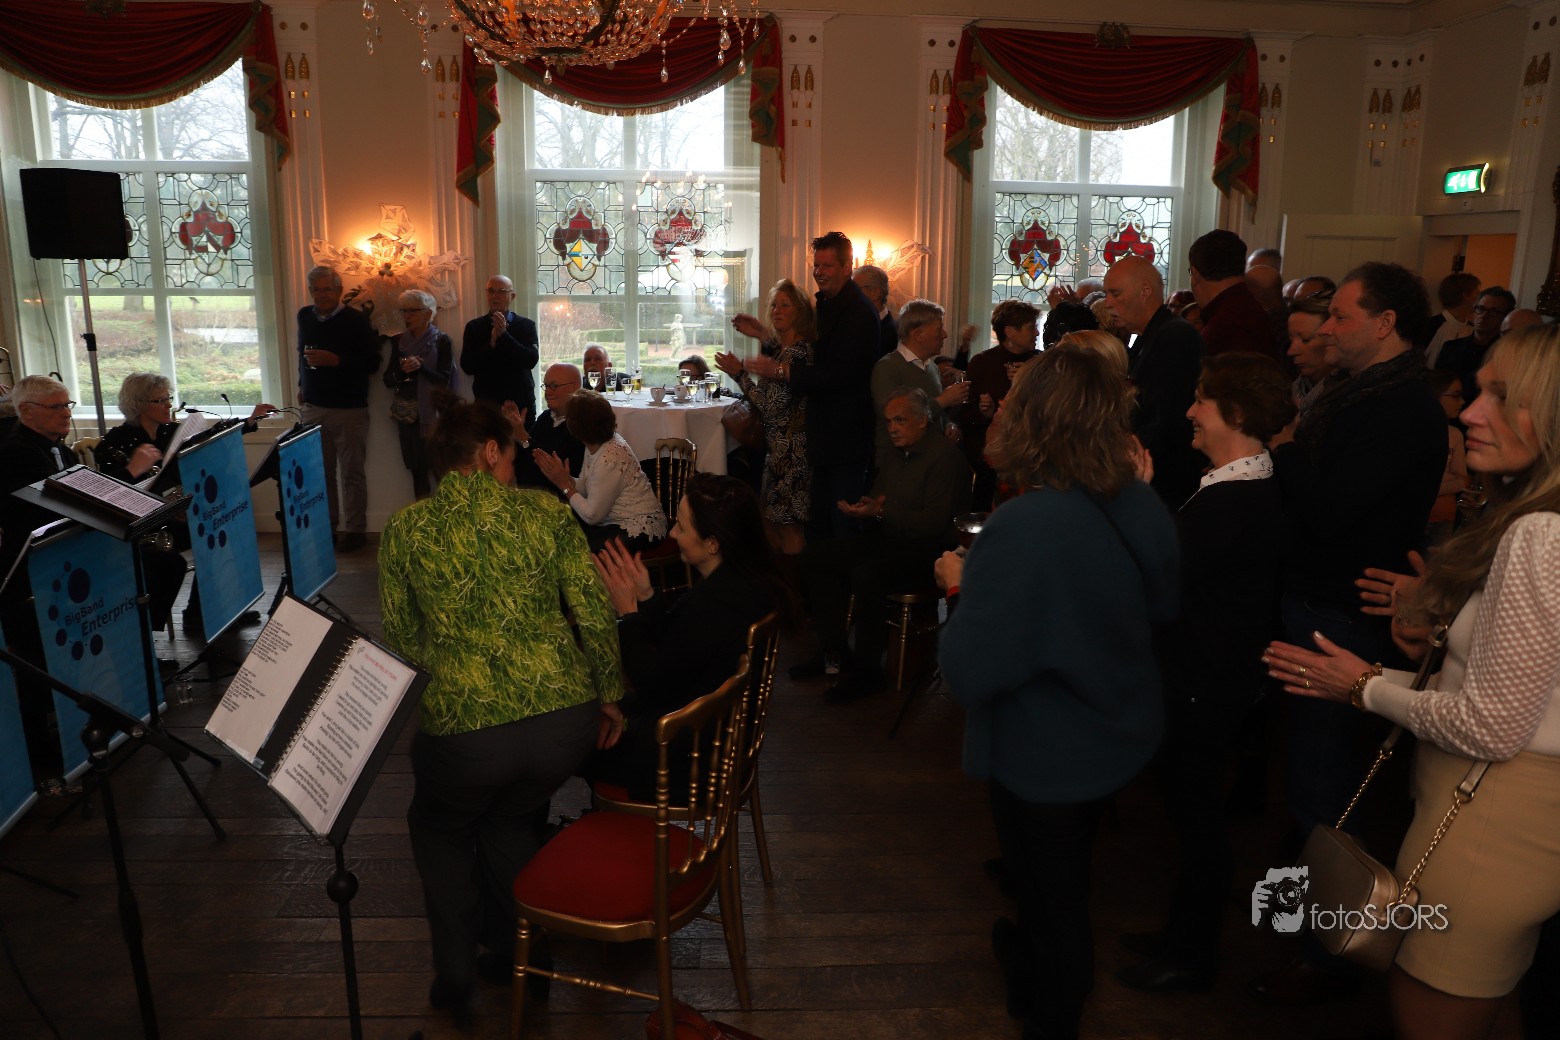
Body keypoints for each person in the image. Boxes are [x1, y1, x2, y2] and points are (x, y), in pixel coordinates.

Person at [1263, 324, 1560, 1040]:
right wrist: (1422, 653)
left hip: (1491, 823)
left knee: (1434, 1010)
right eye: (1479, 392)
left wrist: (1364, 685)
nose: (1470, 414)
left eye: (1502, 397)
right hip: (1514, 816)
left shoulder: (1540, 534)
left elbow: (1491, 725)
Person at [936, 343, 1178, 1040]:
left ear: (1036, 420)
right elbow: (1159, 607)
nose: (1003, 410)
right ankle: (1033, 970)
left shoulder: (1025, 525)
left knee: (1055, 903)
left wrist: (958, 586)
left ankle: (1053, 1015)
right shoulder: (1139, 501)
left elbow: (968, 673)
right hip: (1114, 728)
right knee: (1058, 885)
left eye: (1015, 402)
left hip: (1048, 752)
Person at [379, 397, 624, 1029]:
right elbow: (594, 610)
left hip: (466, 735)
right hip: (562, 723)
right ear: (490, 452)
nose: (514, 468)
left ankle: (456, 971)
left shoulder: (406, 529)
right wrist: (609, 693)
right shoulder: (545, 513)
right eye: (512, 456)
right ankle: (525, 961)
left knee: (441, 828)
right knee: (509, 821)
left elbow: (402, 640)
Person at [1117, 353, 1295, 994]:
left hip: (1204, 683)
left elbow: (1161, 574)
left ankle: (1193, 957)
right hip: (1205, 676)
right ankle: (1179, 937)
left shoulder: (1236, 500)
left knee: (1198, 822)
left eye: (1201, 401)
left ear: (1236, 414)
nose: (1189, 412)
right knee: (1189, 815)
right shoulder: (1235, 485)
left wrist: (1136, 498)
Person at [585, 473, 788, 799]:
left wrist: (627, 615)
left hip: (683, 757)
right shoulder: (747, 582)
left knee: (564, 742)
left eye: (681, 526)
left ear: (712, 543)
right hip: (713, 739)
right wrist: (647, 596)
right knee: (595, 714)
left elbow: (653, 686)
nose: (672, 533)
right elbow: (683, 651)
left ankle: (604, 824)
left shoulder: (714, 605)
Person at [797, 388, 971, 701]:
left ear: (922, 420)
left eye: (900, 420)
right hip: (891, 538)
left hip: (930, 552)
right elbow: (880, 501)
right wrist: (866, 509)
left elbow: (933, 525)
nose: (892, 428)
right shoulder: (895, 453)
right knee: (815, 555)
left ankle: (868, 672)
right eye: (889, 421)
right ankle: (833, 651)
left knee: (867, 574)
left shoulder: (945, 458)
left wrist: (881, 512)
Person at [734, 231, 879, 539]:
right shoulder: (827, 304)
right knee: (817, 529)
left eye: (827, 265)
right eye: (816, 265)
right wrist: (765, 336)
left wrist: (781, 370)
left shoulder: (859, 313)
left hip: (843, 440)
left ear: (847, 267)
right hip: (820, 439)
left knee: (842, 526)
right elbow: (804, 351)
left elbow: (840, 375)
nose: (819, 272)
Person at [716, 279, 815, 555]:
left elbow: (770, 406)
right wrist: (761, 334)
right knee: (772, 524)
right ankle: (781, 578)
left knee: (789, 528)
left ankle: (795, 580)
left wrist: (739, 374)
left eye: (785, 305)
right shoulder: (785, 350)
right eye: (773, 305)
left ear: (800, 311)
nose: (777, 310)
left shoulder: (798, 352)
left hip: (793, 455)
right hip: (779, 452)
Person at [1103, 255, 1204, 509]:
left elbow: (1165, 419)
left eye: (1115, 293)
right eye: (1106, 294)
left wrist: (1118, 465)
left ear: (1145, 291)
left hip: (1164, 482)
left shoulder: (1174, 336)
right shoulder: (1149, 335)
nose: (1107, 303)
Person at [297, 264, 382, 552]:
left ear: (339, 290)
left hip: (349, 410)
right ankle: (327, 529)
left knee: (351, 474)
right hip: (314, 407)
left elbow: (373, 363)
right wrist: (301, 384)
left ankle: (355, 530)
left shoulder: (356, 321)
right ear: (310, 291)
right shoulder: (304, 316)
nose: (321, 295)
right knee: (320, 474)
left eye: (327, 289)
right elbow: (301, 353)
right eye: (316, 290)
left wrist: (338, 361)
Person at [534, 390, 666, 552]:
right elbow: (586, 487)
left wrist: (565, 486)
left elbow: (592, 516)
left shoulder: (609, 458)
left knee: (574, 549)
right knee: (561, 533)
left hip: (639, 529)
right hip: (612, 523)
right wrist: (566, 478)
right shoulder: (595, 444)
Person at [97, 371, 275, 486]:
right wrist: (133, 470)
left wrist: (250, 420)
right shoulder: (115, 441)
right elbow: (106, 490)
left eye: (168, 398)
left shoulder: (169, 430)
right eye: (161, 401)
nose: (169, 405)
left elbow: (211, 437)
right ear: (139, 404)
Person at [962, 300, 1041, 510]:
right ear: (1010, 332)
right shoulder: (982, 363)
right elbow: (964, 416)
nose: (1037, 333)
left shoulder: (1040, 363)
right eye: (1031, 328)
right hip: (991, 466)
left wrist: (1028, 380)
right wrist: (985, 414)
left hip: (1033, 462)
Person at [869, 298, 968, 463]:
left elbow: (936, 414)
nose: (944, 334)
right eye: (939, 329)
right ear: (918, 335)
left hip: (930, 460)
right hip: (898, 463)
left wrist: (948, 424)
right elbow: (895, 418)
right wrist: (943, 400)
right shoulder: (887, 368)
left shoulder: (932, 367)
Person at [384, 289, 453, 499]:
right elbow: (387, 380)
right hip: (408, 417)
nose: (406, 316)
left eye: (412, 311)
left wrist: (421, 367)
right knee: (418, 472)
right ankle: (422, 517)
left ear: (428, 314)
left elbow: (444, 381)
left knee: (442, 472)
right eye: (404, 311)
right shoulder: (398, 341)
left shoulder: (441, 341)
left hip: (434, 416)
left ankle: (450, 516)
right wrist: (401, 371)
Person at [460, 274, 539, 418]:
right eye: (491, 291)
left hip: (521, 403)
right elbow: (467, 366)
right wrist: (491, 344)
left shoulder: (526, 326)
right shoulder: (474, 327)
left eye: (501, 291)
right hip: (487, 405)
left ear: (512, 296)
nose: (495, 296)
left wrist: (504, 336)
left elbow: (531, 360)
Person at [512, 363, 585, 493]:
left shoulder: (581, 424)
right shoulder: (546, 417)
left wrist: (523, 437)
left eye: (554, 386)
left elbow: (553, 469)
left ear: (574, 387)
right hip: (528, 494)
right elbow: (525, 456)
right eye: (546, 386)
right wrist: (514, 435)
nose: (547, 392)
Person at [1285, 288, 1336, 418]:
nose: (1291, 351)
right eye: (1290, 340)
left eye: (1305, 339)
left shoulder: (1346, 401)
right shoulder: (1290, 394)